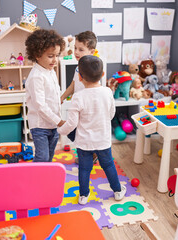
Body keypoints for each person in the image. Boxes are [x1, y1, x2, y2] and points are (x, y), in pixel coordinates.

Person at [57, 55, 126, 205]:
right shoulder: (108, 92)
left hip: (83, 143)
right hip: (103, 140)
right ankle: (118, 191)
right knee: (108, 166)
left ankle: (83, 196)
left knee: (84, 169)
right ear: (102, 75)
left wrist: (61, 130)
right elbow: (111, 114)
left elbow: (72, 123)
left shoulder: (78, 97)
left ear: (80, 77)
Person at [25, 29, 65, 162]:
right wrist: (59, 121)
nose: (55, 60)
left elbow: (51, 93)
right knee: (42, 157)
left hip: (53, 124)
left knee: (49, 156)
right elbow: (40, 105)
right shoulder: (36, 76)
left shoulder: (50, 70)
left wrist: (58, 101)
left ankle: (45, 180)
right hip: (40, 126)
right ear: (37, 55)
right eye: (50, 56)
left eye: (57, 55)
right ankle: (35, 180)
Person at [60, 31, 99, 164]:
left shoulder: (93, 69)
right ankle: (90, 154)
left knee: (83, 134)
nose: (76, 52)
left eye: (81, 49)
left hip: (88, 109)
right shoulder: (79, 67)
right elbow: (73, 84)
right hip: (78, 107)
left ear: (92, 51)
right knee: (75, 133)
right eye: (75, 48)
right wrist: (62, 97)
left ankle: (90, 155)